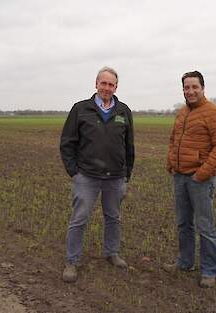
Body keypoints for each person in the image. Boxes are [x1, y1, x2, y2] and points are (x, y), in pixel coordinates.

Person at [60, 66, 135, 283]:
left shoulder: (124, 111)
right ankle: (72, 261)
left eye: (111, 84)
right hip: (87, 177)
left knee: (113, 218)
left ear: (116, 87)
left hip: (115, 177)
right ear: (96, 84)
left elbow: (129, 146)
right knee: (79, 219)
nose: (107, 88)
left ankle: (112, 253)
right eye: (103, 83)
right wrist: (74, 172)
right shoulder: (80, 109)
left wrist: (126, 174)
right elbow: (67, 143)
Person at [165, 71, 216, 288]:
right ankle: (185, 262)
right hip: (180, 177)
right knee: (183, 223)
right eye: (186, 87)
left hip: (200, 179)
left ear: (203, 88)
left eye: (194, 87)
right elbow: (174, 139)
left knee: (205, 226)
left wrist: (201, 174)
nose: (190, 91)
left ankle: (210, 270)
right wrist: (171, 163)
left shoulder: (215, 113)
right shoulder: (182, 113)